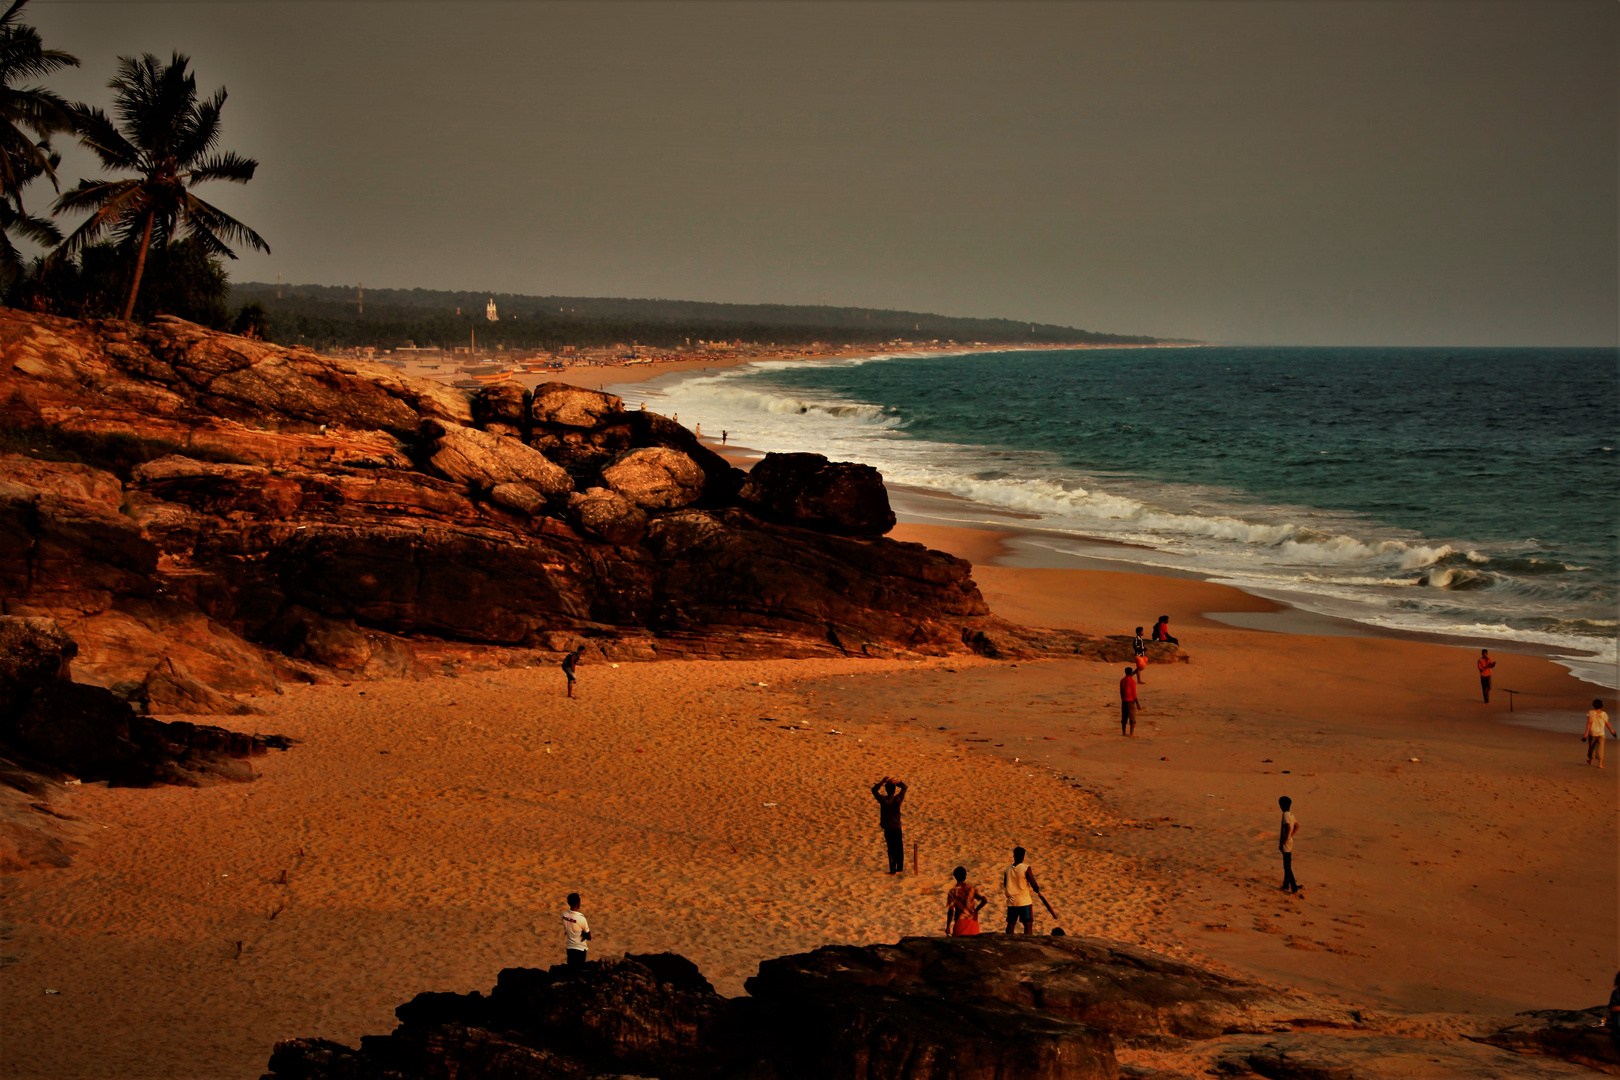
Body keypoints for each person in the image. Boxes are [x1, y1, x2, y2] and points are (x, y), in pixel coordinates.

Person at [1002, 846, 1045, 933]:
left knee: (1011, 923)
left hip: (1012, 901)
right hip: (1024, 901)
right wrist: (1037, 889)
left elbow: (1005, 884)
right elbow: (1034, 884)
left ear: (1014, 855)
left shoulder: (1007, 869)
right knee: (1028, 923)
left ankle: (1009, 940)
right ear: (1023, 856)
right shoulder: (1026, 868)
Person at [871, 776, 907, 874]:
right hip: (896, 827)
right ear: (894, 790)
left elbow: (874, 790)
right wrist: (896, 782)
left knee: (891, 848)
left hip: (888, 828)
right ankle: (900, 867)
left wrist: (882, 782)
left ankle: (892, 868)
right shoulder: (897, 800)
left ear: (886, 790)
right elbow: (905, 787)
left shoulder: (884, 800)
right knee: (899, 847)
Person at [944, 866, 987, 936]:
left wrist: (948, 926)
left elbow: (951, 911)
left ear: (955, 877)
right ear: (965, 876)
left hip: (960, 922)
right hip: (973, 922)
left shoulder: (953, 891)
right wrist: (976, 911)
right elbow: (984, 900)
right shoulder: (972, 889)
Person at [562, 892, 591, 966]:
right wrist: (583, 933)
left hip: (570, 948)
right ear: (578, 903)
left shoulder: (564, 915)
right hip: (580, 949)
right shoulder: (581, 918)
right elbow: (589, 937)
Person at [1278, 796, 1300, 894]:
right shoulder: (1291, 814)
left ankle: (1293, 887)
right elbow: (1296, 826)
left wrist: (1285, 838)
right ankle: (1286, 884)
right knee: (1287, 864)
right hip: (1290, 841)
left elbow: (1287, 826)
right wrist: (1291, 835)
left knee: (1287, 866)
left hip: (1286, 842)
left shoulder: (1285, 815)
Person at [1585, 699, 1614, 768]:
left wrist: (1586, 732)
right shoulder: (1604, 714)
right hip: (1601, 733)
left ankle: (1590, 760)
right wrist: (1611, 730)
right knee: (1601, 748)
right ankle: (1600, 764)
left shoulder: (1591, 712)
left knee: (1591, 747)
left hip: (1593, 732)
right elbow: (1607, 723)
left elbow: (1589, 723)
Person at [1119, 666, 1140, 737]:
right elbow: (1134, 694)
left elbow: (1121, 691)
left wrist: (1122, 699)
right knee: (1132, 718)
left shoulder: (1122, 680)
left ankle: (1124, 732)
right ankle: (1131, 733)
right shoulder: (1132, 681)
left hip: (1124, 701)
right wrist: (1138, 704)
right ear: (1131, 673)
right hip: (1130, 701)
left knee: (1124, 717)